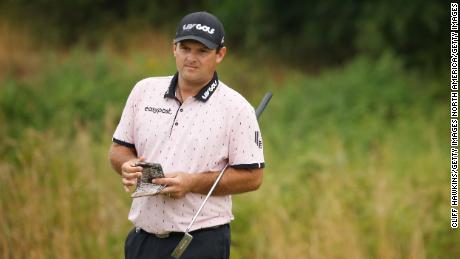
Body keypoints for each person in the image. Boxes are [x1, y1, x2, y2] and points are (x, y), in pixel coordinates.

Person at [109, 11, 265, 259]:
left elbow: (253, 177)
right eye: (185, 48)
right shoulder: (144, 91)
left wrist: (192, 183)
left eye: (202, 51)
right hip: (142, 240)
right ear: (174, 48)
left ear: (220, 54)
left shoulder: (236, 108)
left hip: (200, 242)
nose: (191, 58)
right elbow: (119, 149)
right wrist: (126, 164)